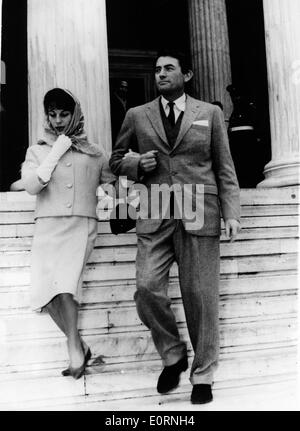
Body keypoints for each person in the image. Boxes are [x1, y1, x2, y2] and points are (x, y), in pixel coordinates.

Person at [109, 50, 241, 404]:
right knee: (146, 286)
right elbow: (116, 159)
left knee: (201, 296)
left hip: (200, 208)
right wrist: (138, 162)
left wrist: (231, 213)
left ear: (188, 74)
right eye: (156, 70)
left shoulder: (209, 113)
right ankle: (173, 354)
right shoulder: (137, 115)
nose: (160, 74)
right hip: (155, 210)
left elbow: (224, 167)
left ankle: (203, 376)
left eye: (169, 69)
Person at [21, 88, 115, 379]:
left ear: (75, 113)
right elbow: (32, 186)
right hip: (48, 225)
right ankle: (80, 345)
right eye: (53, 114)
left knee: (65, 286)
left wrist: (108, 194)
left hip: (80, 224)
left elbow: (109, 183)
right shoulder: (37, 150)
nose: (59, 120)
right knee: (45, 296)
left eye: (64, 113)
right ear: (47, 115)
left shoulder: (96, 152)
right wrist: (57, 150)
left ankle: (74, 349)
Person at [110, 80, 129, 147]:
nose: (124, 89)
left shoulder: (128, 101)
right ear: (117, 87)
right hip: (115, 131)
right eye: (122, 87)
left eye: (126, 88)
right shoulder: (111, 100)